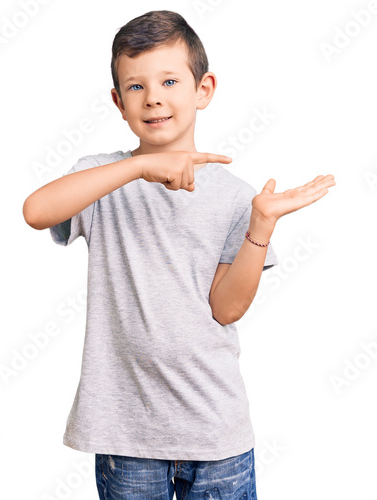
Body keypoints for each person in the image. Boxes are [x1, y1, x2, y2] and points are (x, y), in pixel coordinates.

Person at [22, 9, 335, 500]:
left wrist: (261, 225)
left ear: (203, 89)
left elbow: (226, 308)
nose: (154, 98)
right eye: (135, 86)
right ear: (117, 102)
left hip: (216, 432)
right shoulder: (100, 177)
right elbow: (37, 211)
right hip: (126, 435)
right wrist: (138, 168)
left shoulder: (235, 197)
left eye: (170, 80)